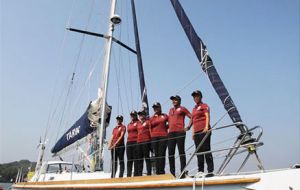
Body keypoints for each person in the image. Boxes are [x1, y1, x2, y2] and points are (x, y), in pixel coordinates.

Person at [187, 90, 214, 177]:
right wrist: (192, 133)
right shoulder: (194, 108)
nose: (195, 98)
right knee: (198, 151)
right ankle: (200, 170)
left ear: (200, 96)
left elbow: (207, 115)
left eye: (197, 96)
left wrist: (206, 127)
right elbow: (193, 120)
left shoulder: (204, 105)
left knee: (206, 150)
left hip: (204, 130)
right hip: (197, 132)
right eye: (194, 96)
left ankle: (210, 170)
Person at [168, 95, 191, 177]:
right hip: (171, 133)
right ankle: (172, 173)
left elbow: (191, 117)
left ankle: (183, 172)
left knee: (181, 152)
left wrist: (188, 127)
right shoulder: (170, 110)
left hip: (180, 132)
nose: (173, 101)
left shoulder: (182, 108)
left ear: (179, 101)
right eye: (172, 100)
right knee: (170, 153)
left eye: (175, 100)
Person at [149, 102, 168, 175]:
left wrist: (165, 128)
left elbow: (170, 123)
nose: (155, 109)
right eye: (154, 107)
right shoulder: (151, 118)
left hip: (163, 136)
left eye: (156, 107)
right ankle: (157, 172)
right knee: (156, 155)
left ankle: (161, 171)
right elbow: (150, 128)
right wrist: (151, 137)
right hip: (154, 138)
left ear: (160, 107)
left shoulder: (165, 116)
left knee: (162, 154)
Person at [136, 110, 152, 176]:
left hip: (146, 141)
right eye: (139, 115)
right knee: (140, 159)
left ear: (145, 115)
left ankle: (149, 173)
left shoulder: (148, 122)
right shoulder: (138, 123)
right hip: (139, 142)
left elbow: (151, 131)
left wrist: (151, 141)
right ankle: (140, 174)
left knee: (147, 157)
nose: (140, 116)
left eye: (142, 115)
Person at [126, 111, 139, 177]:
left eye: (134, 115)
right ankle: (128, 175)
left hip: (136, 142)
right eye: (131, 115)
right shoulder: (129, 124)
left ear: (136, 115)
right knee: (129, 160)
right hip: (129, 142)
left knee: (135, 159)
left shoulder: (138, 123)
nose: (132, 116)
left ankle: (135, 175)